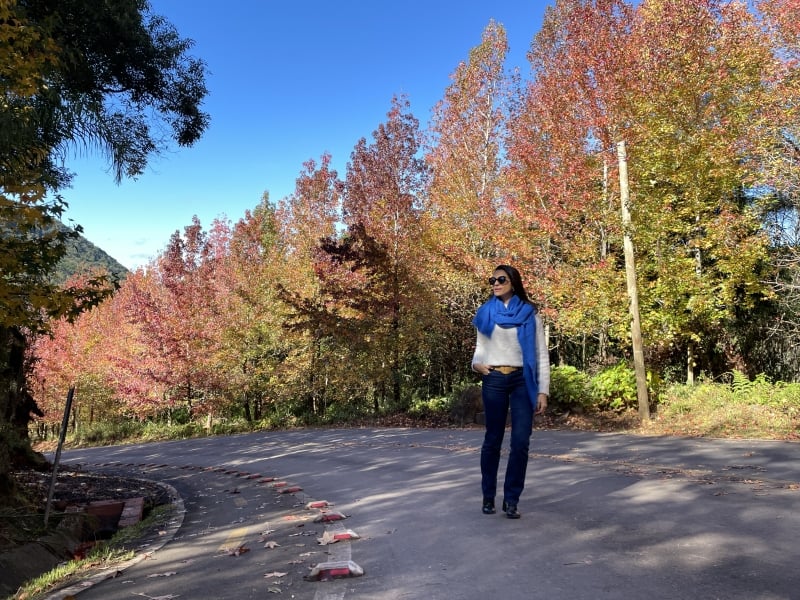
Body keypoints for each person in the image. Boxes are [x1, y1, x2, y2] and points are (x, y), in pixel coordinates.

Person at [471, 265, 550, 519]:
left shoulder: (530, 315)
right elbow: (479, 349)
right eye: (492, 279)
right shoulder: (485, 313)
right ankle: (488, 496)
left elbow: (541, 355)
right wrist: (477, 365)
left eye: (501, 279)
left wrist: (543, 391)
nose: (495, 283)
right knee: (492, 440)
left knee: (520, 442)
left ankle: (512, 499)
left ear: (513, 283)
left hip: (521, 381)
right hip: (493, 378)